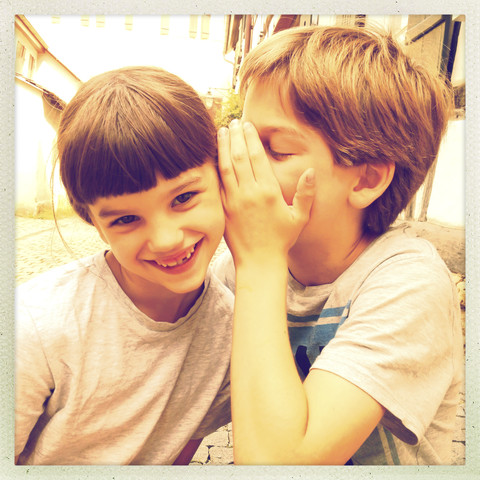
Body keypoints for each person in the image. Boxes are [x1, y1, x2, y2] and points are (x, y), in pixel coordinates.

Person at [214, 25, 463, 465]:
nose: (239, 161)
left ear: (366, 178)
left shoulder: (408, 282)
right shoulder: (234, 273)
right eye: (245, 138)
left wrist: (259, 261)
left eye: (275, 148)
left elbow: (277, 463)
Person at [15, 66, 233, 465]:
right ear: (94, 223)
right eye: (126, 219)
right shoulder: (35, 326)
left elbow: (180, 451)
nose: (166, 239)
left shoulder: (234, 328)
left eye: (183, 198)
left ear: (222, 176)